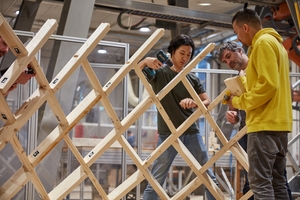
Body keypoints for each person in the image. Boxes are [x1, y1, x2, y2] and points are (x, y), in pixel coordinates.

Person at [139, 34, 218, 200]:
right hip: (168, 132)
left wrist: (194, 102)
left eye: (189, 55)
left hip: (191, 132)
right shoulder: (159, 73)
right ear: (172, 52)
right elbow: (136, 72)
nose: (185, 58)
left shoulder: (192, 78)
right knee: (156, 179)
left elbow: (206, 102)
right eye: (182, 53)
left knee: (207, 173)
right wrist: (146, 61)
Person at [226, 4, 293, 200]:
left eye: (237, 32)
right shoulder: (276, 44)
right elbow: (266, 82)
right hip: (279, 125)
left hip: (263, 125)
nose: (238, 37)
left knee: (260, 184)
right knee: (277, 182)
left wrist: (238, 101)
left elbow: (267, 86)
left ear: (245, 28)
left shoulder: (262, 44)